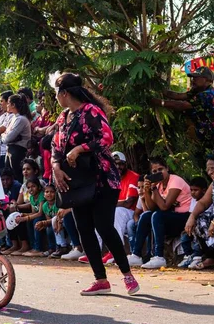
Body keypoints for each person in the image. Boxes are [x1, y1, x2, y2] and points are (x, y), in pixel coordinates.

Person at [51, 72, 140, 296]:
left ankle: (127, 274)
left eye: (56, 93)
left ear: (64, 93)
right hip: (78, 182)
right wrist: (56, 167)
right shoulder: (63, 118)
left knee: (104, 226)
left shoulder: (91, 111)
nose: (56, 98)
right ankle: (100, 279)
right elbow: (55, 146)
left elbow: (106, 138)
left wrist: (80, 148)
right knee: (84, 230)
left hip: (102, 178)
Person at [128, 157, 192, 268]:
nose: (158, 173)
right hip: (170, 217)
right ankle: (136, 255)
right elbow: (151, 208)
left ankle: (159, 256)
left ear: (167, 168)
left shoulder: (175, 181)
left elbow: (164, 206)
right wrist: (148, 191)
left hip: (185, 218)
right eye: (154, 171)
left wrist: (154, 189)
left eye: (160, 169)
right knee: (146, 215)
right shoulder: (158, 185)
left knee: (158, 215)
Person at [152, 66, 214, 155]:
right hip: (201, 136)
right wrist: (159, 88)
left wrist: (157, 102)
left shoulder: (207, 94)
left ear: (207, 79)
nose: (193, 80)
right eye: (193, 77)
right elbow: (179, 96)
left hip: (209, 139)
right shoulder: (197, 90)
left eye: (196, 77)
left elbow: (181, 105)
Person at [102, 151, 139, 265]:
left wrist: (107, 204)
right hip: (117, 209)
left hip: (131, 211)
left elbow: (128, 203)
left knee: (117, 211)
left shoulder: (133, 176)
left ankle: (115, 251)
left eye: (121, 164)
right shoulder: (108, 178)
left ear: (125, 164)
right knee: (99, 214)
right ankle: (94, 252)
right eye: (115, 163)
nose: (118, 167)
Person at [184, 157, 214, 269]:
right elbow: (203, 202)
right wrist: (192, 216)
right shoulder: (213, 184)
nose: (210, 171)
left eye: (213, 168)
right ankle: (211, 257)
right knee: (198, 219)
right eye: (208, 169)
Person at [178, 176, 211, 268]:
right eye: (191, 190)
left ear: (204, 190)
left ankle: (197, 257)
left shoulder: (207, 200)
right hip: (193, 226)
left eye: (195, 190)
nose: (192, 193)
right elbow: (191, 214)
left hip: (203, 227)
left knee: (197, 240)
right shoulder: (193, 200)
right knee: (184, 237)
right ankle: (189, 256)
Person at [2, 94, 32, 182]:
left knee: (17, 177)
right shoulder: (14, 118)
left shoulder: (21, 119)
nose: (7, 105)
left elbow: (7, 138)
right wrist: (5, 135)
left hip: (18, 151)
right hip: (10, 150)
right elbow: (6, 136)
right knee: (9, 177)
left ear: (13, 105)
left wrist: (4, 135)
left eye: (8, 103)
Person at [35, 183, 69, 258]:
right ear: (44, 194)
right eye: (47, 192)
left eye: (52, 192)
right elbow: (48, 219)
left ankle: (62, 246)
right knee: (49, 228)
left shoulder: (58, 203)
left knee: (54, 221)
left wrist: (44, 222)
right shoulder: (44, 206)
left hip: (61, 221)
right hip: (54, 223)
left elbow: (58, 217)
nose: (49, 194)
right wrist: (44, 224)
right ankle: (54, 248)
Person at [15, 177, 45, 257]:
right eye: (28, 187)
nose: (31, 189)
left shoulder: (41, 195)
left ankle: (38, 248)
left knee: (36, 221)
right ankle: (33, 247)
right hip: (38, 215)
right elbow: (33, 212)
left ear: (38, 187)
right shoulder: (31, 197)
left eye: (33, 186)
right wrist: (23, 215)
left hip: (45, 217)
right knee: (28, 221)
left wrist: (25, 217)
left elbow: (40, 213)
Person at [126, 175, 149, 259]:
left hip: (149, 221)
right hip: (142, 221)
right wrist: (137, 222)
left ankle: (147, 255)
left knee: (144, 219)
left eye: (143, 187)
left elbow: (147, 213)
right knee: (130, 224)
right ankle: (134, 253)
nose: (140, 190)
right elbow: (136, 214)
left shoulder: (150, 194)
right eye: (138, 187)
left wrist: (143, 199)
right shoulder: (140, 196)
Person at [0, 90, 13, 169]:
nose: (0, 103)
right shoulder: (2, 116)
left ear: (8, 101)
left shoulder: (14, 116)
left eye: (1, 101)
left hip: (5, 152)